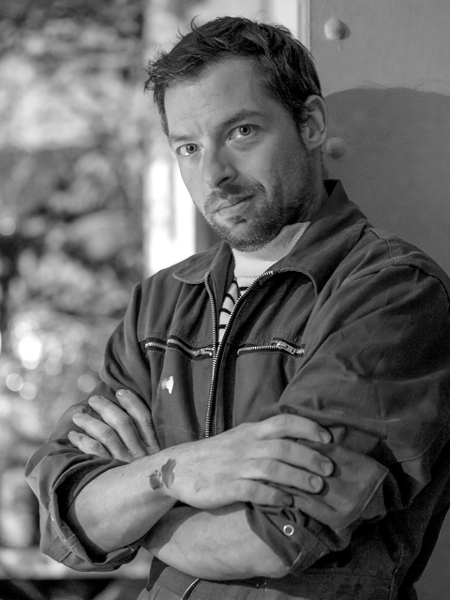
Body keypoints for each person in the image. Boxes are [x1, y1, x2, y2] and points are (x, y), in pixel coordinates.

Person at [25, 16, 450, 600]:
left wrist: (144, 491)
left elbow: (270, 537)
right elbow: (66, 521)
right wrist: (180, 472)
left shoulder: (391, 293)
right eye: (189, 147)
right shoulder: (161, 301)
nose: (214, 174)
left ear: (310, 124)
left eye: (242, 132)